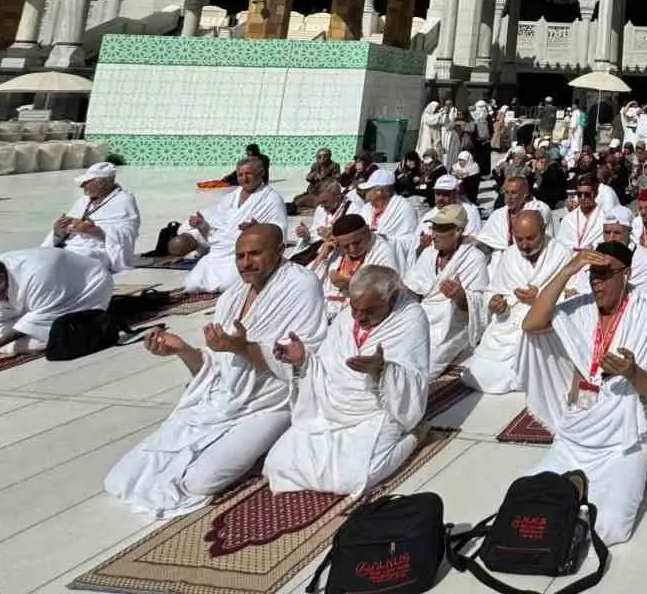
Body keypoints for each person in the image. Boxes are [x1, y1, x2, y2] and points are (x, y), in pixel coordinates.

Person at [105, 224, 327, 518]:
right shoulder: (232, 296)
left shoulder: (301, 285)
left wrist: (243, 348)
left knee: (198, 483)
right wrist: (181, 349)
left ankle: (267, 444)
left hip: (273, 403)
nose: (245, 263)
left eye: (255, 254)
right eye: (240, 256)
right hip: (220, 400)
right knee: (118, 480)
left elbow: (300, 364)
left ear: (278, 252)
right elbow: (212, 370)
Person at [521, 241, 647, 545]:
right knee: (527, 496)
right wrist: (568, 270)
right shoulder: (581, 308)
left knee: (610, 526)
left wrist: (633, 373)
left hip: (624, 444)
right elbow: (532, 323)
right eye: (593, 275)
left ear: (626, 274)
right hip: (578, 435)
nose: (597, 282)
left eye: (605, 275)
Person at [263, 265, 431, 496]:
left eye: (368, 311)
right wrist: (303, 360)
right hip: (331, 406)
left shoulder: (411, 317)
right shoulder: (344, 319)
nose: (359, 317)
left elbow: (415, 375)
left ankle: (414, 437)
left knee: (354, 478)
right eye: (354, 308)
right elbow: (326, 365)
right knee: (276, 463)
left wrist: (382, 371)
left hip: (378, 410)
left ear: (391, 299)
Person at [463, 209, 567, 394]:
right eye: (519, 239)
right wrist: (494, 302)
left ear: (543, 230)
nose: (524, 245)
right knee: (478, 372)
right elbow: (493, 290)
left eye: (530, 238)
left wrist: (540, 300)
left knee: (537, 371)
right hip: (508, 325)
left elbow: (574, 299)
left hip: (542, 326)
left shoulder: (561, 254)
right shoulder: (509, 255)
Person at [171, 155, 287, 293]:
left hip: (244, 254)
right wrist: (201, 224)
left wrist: (256, 230)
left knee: (229, 285)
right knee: (192, 284)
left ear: (260, 174)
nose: (244, 178)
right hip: (218, 253)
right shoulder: (229, 197)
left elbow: (279, 231)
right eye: (240, 175)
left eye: (248, 174)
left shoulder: (271, 199)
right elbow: (214, 232)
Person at [402, 204, 488, 378]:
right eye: (433, 227)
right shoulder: (429, 253)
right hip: (423, 313)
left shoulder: (474, 258)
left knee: (426, 365)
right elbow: (412, 288)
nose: (433, 234)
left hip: (452, 320)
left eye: (440, 229)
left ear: (457, 231)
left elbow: (479, 305)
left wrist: (460, 296)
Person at [0, 247, 114, 358]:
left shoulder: (38, 276)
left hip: (82, 291)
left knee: (45, 340)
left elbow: (40, 318)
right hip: (40, 296)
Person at [42, 161, 141, 273]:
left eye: (86, 182)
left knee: (69, 261)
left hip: (97, 251)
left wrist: (93, 230)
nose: (82, 186)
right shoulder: (83, 201)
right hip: (69, 247)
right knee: (43, 258)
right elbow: (63, 232)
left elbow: (127, 234)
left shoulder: (123, 200)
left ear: (101, 184)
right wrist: (58, 232)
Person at [311, 213, 404, 319]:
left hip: (356, 313)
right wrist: (323, 254)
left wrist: (349, 284)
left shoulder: (383, 251)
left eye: (357, 243)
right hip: (323, 308)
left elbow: (387, 290)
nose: (352, 249)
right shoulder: (336, 249)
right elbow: (310, 280)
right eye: (346, 246)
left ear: (367, 231)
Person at [356, 168, 420, 244]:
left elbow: (409, 240)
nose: (365, 193)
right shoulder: (366, 208)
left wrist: (383, 238)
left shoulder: (404, 208)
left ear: (379, 191)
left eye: (368, 189)